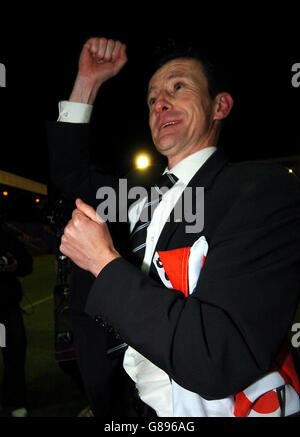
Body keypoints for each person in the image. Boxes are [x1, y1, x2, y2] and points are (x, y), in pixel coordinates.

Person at [48, 37, 300, 417]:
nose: (160, 103)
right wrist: (87, 82)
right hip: (117, 401)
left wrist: (103, 262)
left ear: (220, 105)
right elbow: (68, 173)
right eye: (151, 99)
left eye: (178, 87)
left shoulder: (257, 191)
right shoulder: (132, 191)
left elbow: (217, 356)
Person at [0, 226, 33, 417]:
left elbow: (26, 264)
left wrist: (15, 265)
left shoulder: (6, 238)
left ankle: (14, 400)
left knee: (13, 354)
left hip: (6, 307)